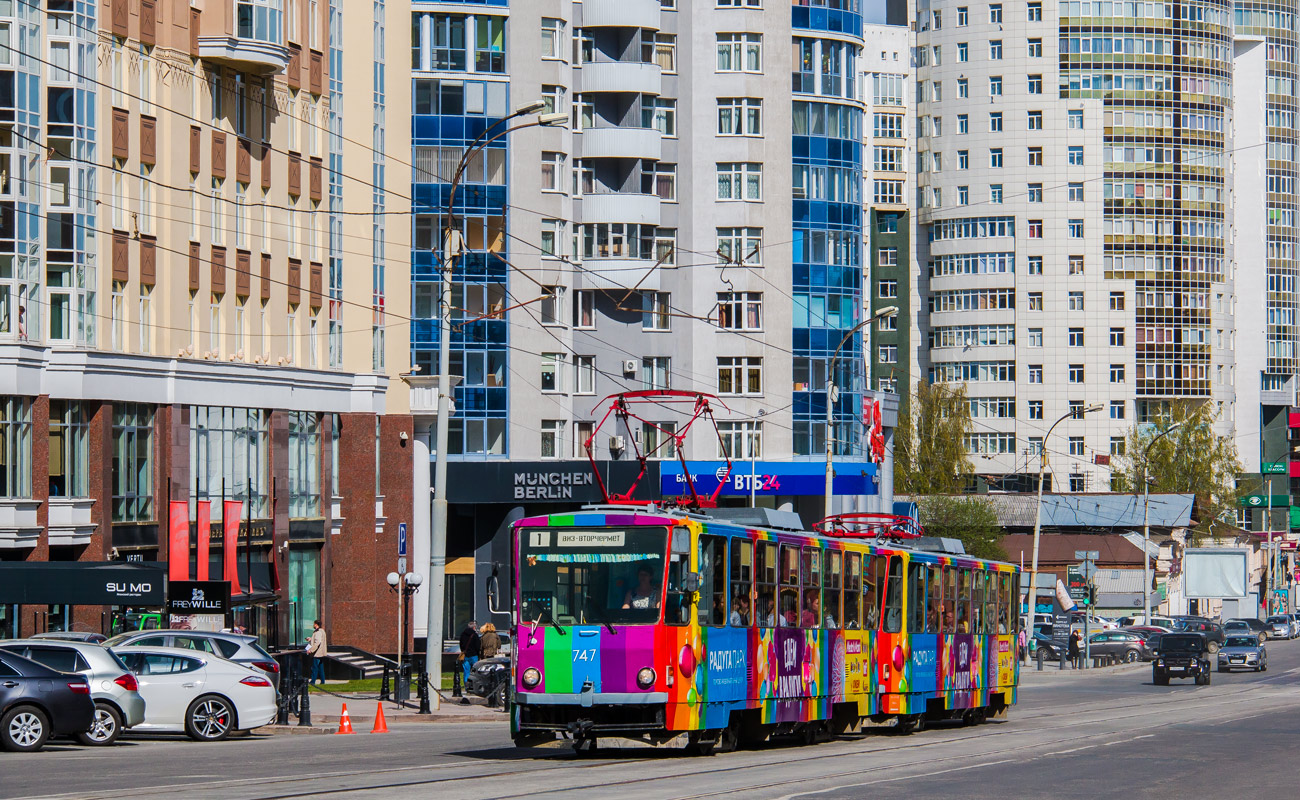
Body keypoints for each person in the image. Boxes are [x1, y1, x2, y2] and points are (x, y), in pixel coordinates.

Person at [458, 620, 481, 703]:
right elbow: (478, 646)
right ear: (474, 627)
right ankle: (473, 687)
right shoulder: (474, 635)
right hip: (474, 655)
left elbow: (461, 644)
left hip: (465, 655)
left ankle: (466, 686)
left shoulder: (463, 634)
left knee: (466, 672)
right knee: (474, 672)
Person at [305, 620, 328, 685]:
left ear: (316, 624)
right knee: (321, 668)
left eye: (314, 624)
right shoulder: (321, 631)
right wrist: (311, 639)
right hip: (321, 653)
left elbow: (317, 642)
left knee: (314, 668)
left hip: (317, 653)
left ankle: (313, 681)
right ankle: (322, 681)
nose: (313, 625)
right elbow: (317, 640)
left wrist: (311, 650)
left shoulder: (318, 632)